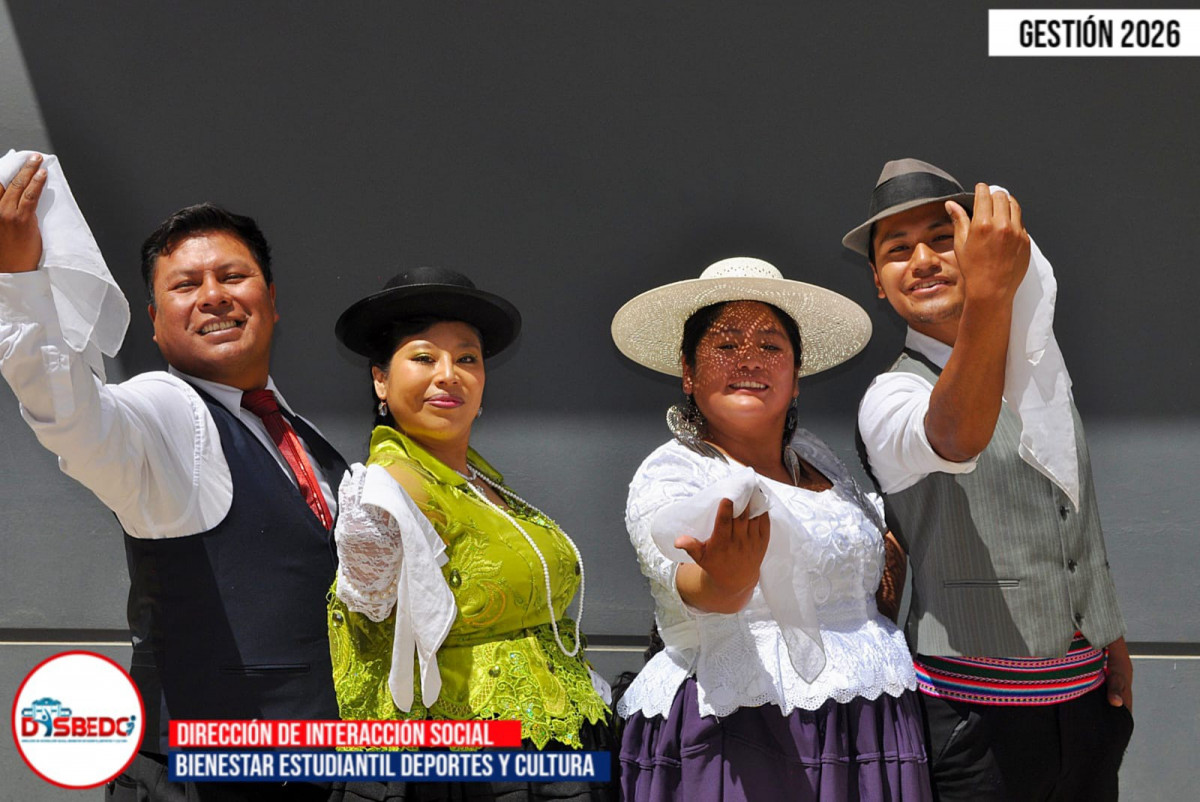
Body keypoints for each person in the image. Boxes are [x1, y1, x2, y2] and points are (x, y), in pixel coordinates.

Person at [0, 152, 345, 801]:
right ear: (155, 323)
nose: (213, 294)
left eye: (233, 276)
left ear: (271, 303)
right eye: (185, 285)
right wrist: (20, 282)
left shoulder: (308, 441)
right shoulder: (164, 410)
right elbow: (75, 420)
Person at [846, 158, 1133, 801]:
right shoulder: (889, 395)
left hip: (1088, 708)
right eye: (897, 249)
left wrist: (1108, 634)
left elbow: (1071, 511)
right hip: (977, 727)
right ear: (877, 282)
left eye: (943, 238)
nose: (921, 259)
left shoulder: (1041, 371)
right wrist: (992, 297)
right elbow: (957, 434)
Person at [609, 257, 932, 801]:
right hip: (742, 734)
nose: (750, 360)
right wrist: (726, 584)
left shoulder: (819, 458)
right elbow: (694, 584)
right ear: (687, 372)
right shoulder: (675, 472)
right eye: (727, 345)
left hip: (868, 721)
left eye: (771, 346)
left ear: (796, 376)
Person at [327, 267, 613, 801]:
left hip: (553, 744)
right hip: (467, 766)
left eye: (466, 359)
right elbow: (367, 602)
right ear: (380, 380)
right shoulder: (389, 488)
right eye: (422, 357)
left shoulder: (479, 482)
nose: (448, 374)